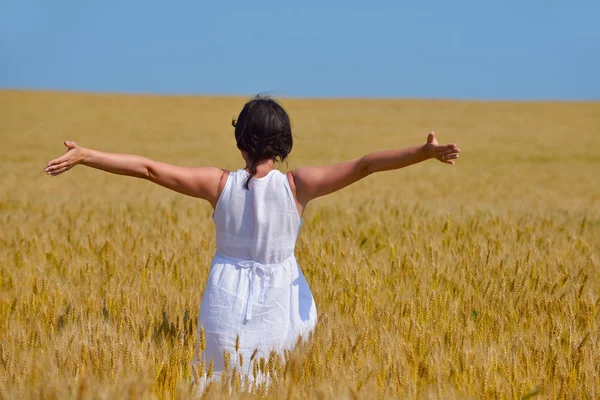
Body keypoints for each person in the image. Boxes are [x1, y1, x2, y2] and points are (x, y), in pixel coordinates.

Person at [44, 95, 460, 387]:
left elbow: (150, 169)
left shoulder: (218, 184)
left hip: (224, 299)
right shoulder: (297, 185)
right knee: (278, 382)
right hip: (279, 303)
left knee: (215, 382)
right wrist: (423, 153)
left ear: (240, 138)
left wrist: (88, 155)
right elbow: (367, 165)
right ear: (283, 143)